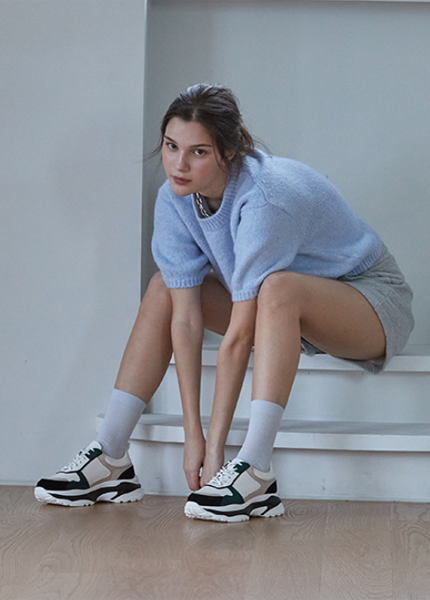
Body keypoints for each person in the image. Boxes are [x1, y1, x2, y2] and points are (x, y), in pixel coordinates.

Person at [35, 83, 414, 522]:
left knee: (277, 288)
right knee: (163, 287)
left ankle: (256, 470)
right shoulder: (174, 198)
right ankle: (111, 456)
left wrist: (216, 448)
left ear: (228, 151)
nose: (179, 164)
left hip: (368, 301)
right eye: (171, 146)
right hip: (285, 312)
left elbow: (238, 337)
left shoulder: (265, 199)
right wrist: (191, 434)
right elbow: (185, 321)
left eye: (198, 152)